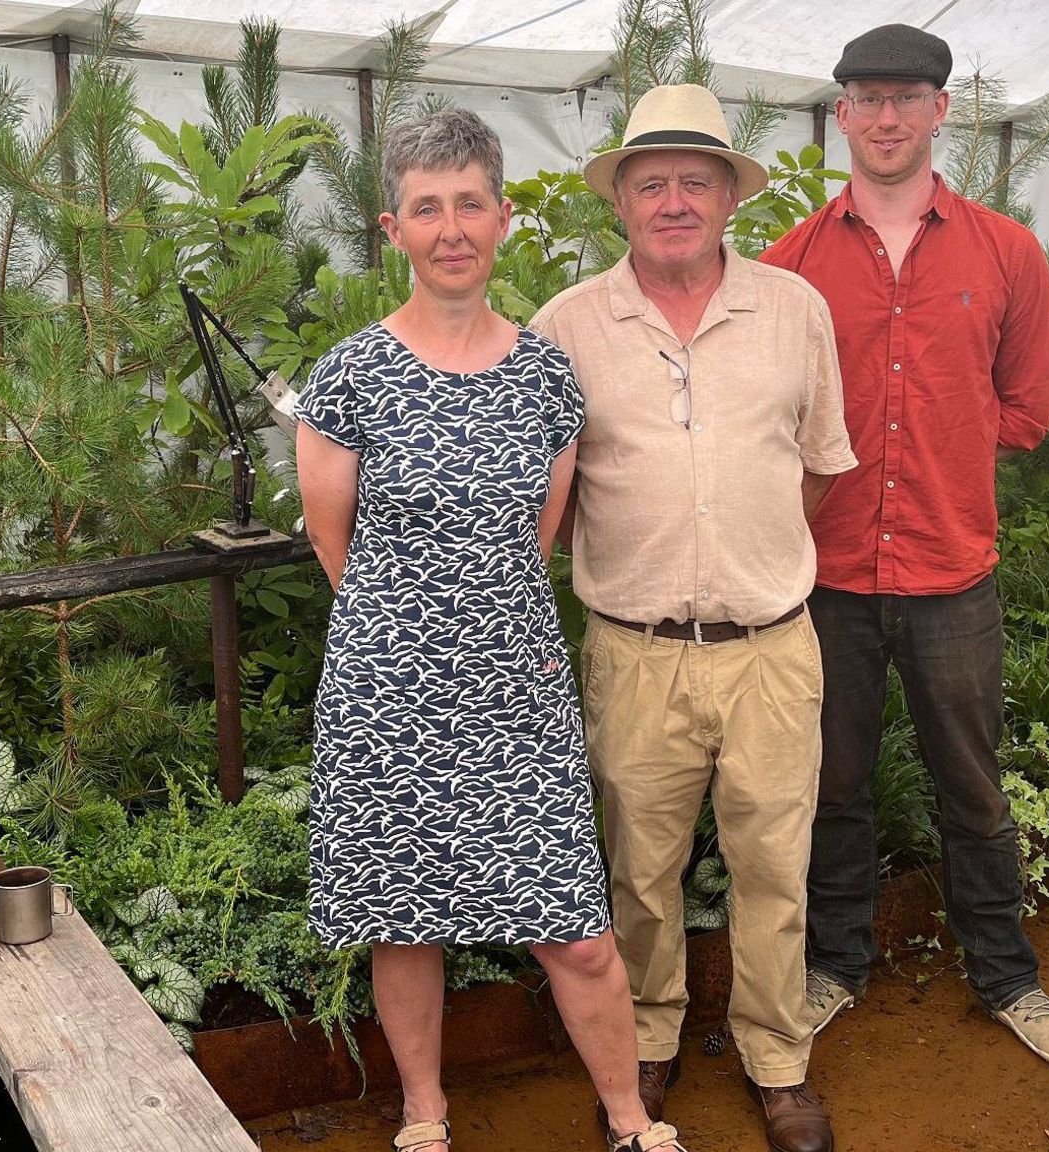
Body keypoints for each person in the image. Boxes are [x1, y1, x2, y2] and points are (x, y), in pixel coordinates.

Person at [295, 108, 689, 1152]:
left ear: (503, 218)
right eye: (427, 207)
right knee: (402, 921)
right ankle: (425, 1111)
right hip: (388, 698)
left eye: (470, 202)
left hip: (516, 698)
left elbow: (538, 537)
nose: (451, 227)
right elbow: (334, 546)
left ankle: (627, 1117)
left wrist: (473, 629)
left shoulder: (545, 379)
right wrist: (413, 634)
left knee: (577, 931)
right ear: (393, 228)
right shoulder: (348, 377)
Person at [758, 23, 1049, 1071]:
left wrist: (942, 440)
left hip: (954, 576)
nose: (886, 117)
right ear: (842, 116)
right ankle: (832, 968)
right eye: (866, 98)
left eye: (906, 97)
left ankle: (1006, 977)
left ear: (939, 110)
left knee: (973, 788)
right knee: (831, 789)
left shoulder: (1005, 252)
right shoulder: (790, 265)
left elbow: (1026, 407)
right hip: (827, 579)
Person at [531, 85, 857, 1152]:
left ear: (728, 197)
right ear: (620, 201)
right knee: (638, 870)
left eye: (695, 182)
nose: (674, 201)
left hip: (770, 648)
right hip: (634, 652)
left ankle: (775, 1059)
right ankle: (649, 1041)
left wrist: (746, 563)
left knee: (773, 864)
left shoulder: (793, 311)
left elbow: (815, 470)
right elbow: (546, 496)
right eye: (651, 183)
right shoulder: (565, 326)